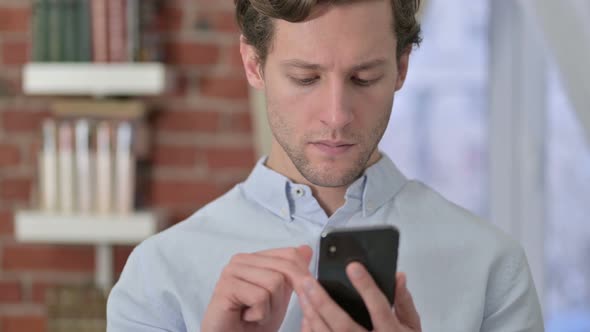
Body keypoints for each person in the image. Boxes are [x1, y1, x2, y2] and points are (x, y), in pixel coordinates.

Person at [107, 0, 544, 331]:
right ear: (253, 64)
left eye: (364, 78)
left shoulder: (492, 269)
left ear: (402, 68)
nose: (336, 116)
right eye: (305, 78)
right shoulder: (157, 275)